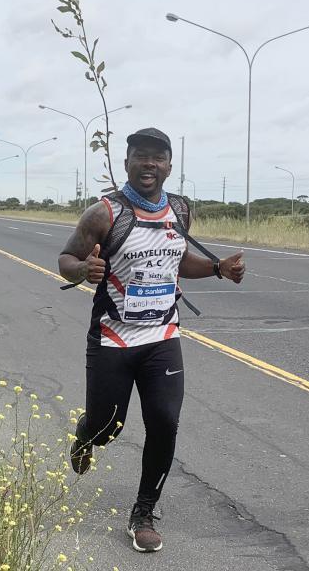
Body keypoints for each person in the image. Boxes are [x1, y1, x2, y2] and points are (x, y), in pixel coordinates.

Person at [58, 128, 245, 553]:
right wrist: (81, 270)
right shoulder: (103, 214)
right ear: (127, 163)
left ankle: (143, 511)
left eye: (158, 158)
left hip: (162, 337)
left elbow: (177, 262)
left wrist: (217, 268)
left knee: (164, 422)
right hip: (113, 338)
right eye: (141, 157)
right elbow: (66, 259)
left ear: (169, 166)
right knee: (108, 426)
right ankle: (87, 436)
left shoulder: (180, 209)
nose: (149, 164)